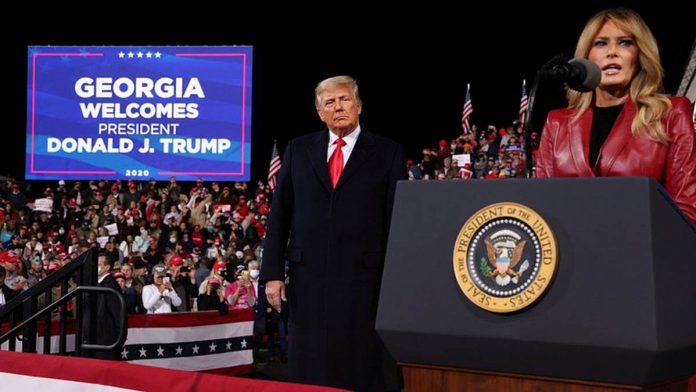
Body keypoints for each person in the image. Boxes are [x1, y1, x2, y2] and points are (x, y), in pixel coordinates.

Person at [260, 75, 406, 390]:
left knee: (362, 365)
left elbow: (399, 220)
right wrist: (271, 274)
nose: (337, 107)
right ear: (319, 112)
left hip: (366, 282)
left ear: (359, 106)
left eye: (344, 99)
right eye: (329, 102)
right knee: (311, 366)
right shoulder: (298, 151)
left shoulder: (388, 152)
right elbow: (280, 215)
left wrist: (397, 282)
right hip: (307, 281)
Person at [536, 8, 696, 224]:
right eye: (600, 43)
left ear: (640, 55)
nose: (612, 52)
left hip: (641, 251)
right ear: (586, 57)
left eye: (624, 42)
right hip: (571, 253)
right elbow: (541, 206)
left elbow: (686, 209)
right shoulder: (557, 122)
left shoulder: (670, 112)